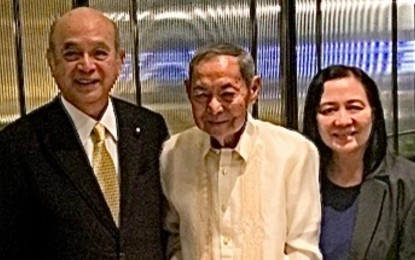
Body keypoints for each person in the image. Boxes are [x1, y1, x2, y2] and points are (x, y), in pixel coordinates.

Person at [0, 7, 168, 259]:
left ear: (120, 60)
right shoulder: (18, 144)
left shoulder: (150, 129)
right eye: (71, 54)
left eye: (99, 53)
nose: (86, 65)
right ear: (51, 61)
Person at [160, 42, 322, 259]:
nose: (214, 107)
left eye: (227, 94)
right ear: (187, 91)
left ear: (253, 89)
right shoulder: (174, 154)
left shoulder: (294, 152)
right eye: (201, 94)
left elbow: (303, 251)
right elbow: (173, 237)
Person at [302, 64, 415, 259]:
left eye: (354, 107)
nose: (343, 120)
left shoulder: (408, 184)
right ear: (314, 119)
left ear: (374, 112)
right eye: (329, 110)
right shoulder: (297, 181)